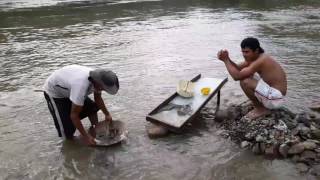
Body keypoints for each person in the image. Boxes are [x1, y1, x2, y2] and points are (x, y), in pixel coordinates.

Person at [44, 65, 119, 145]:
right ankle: (71, 146)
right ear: (97, 83)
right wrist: (86, 137)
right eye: (102, 88)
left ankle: (95, 128)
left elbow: (97, 98)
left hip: (69, 88)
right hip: (55, 94)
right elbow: (74, 115)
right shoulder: (81, 86)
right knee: (67, 130)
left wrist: (107, 114)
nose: (103, 90)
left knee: (91, 108)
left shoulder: (98, 79)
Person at [217, 37, 287, 119]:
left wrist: (226, 61)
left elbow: (236, 76)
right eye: (242, 52)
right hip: (274, 94)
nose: (244, 54)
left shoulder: (261, 60)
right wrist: (227, 58)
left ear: (256, 50)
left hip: (276, 99)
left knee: (245, 81)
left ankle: (261, 109)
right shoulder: (254, 57)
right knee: (246, 75)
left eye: (246, 52)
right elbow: (238, 68)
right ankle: (261, 104)